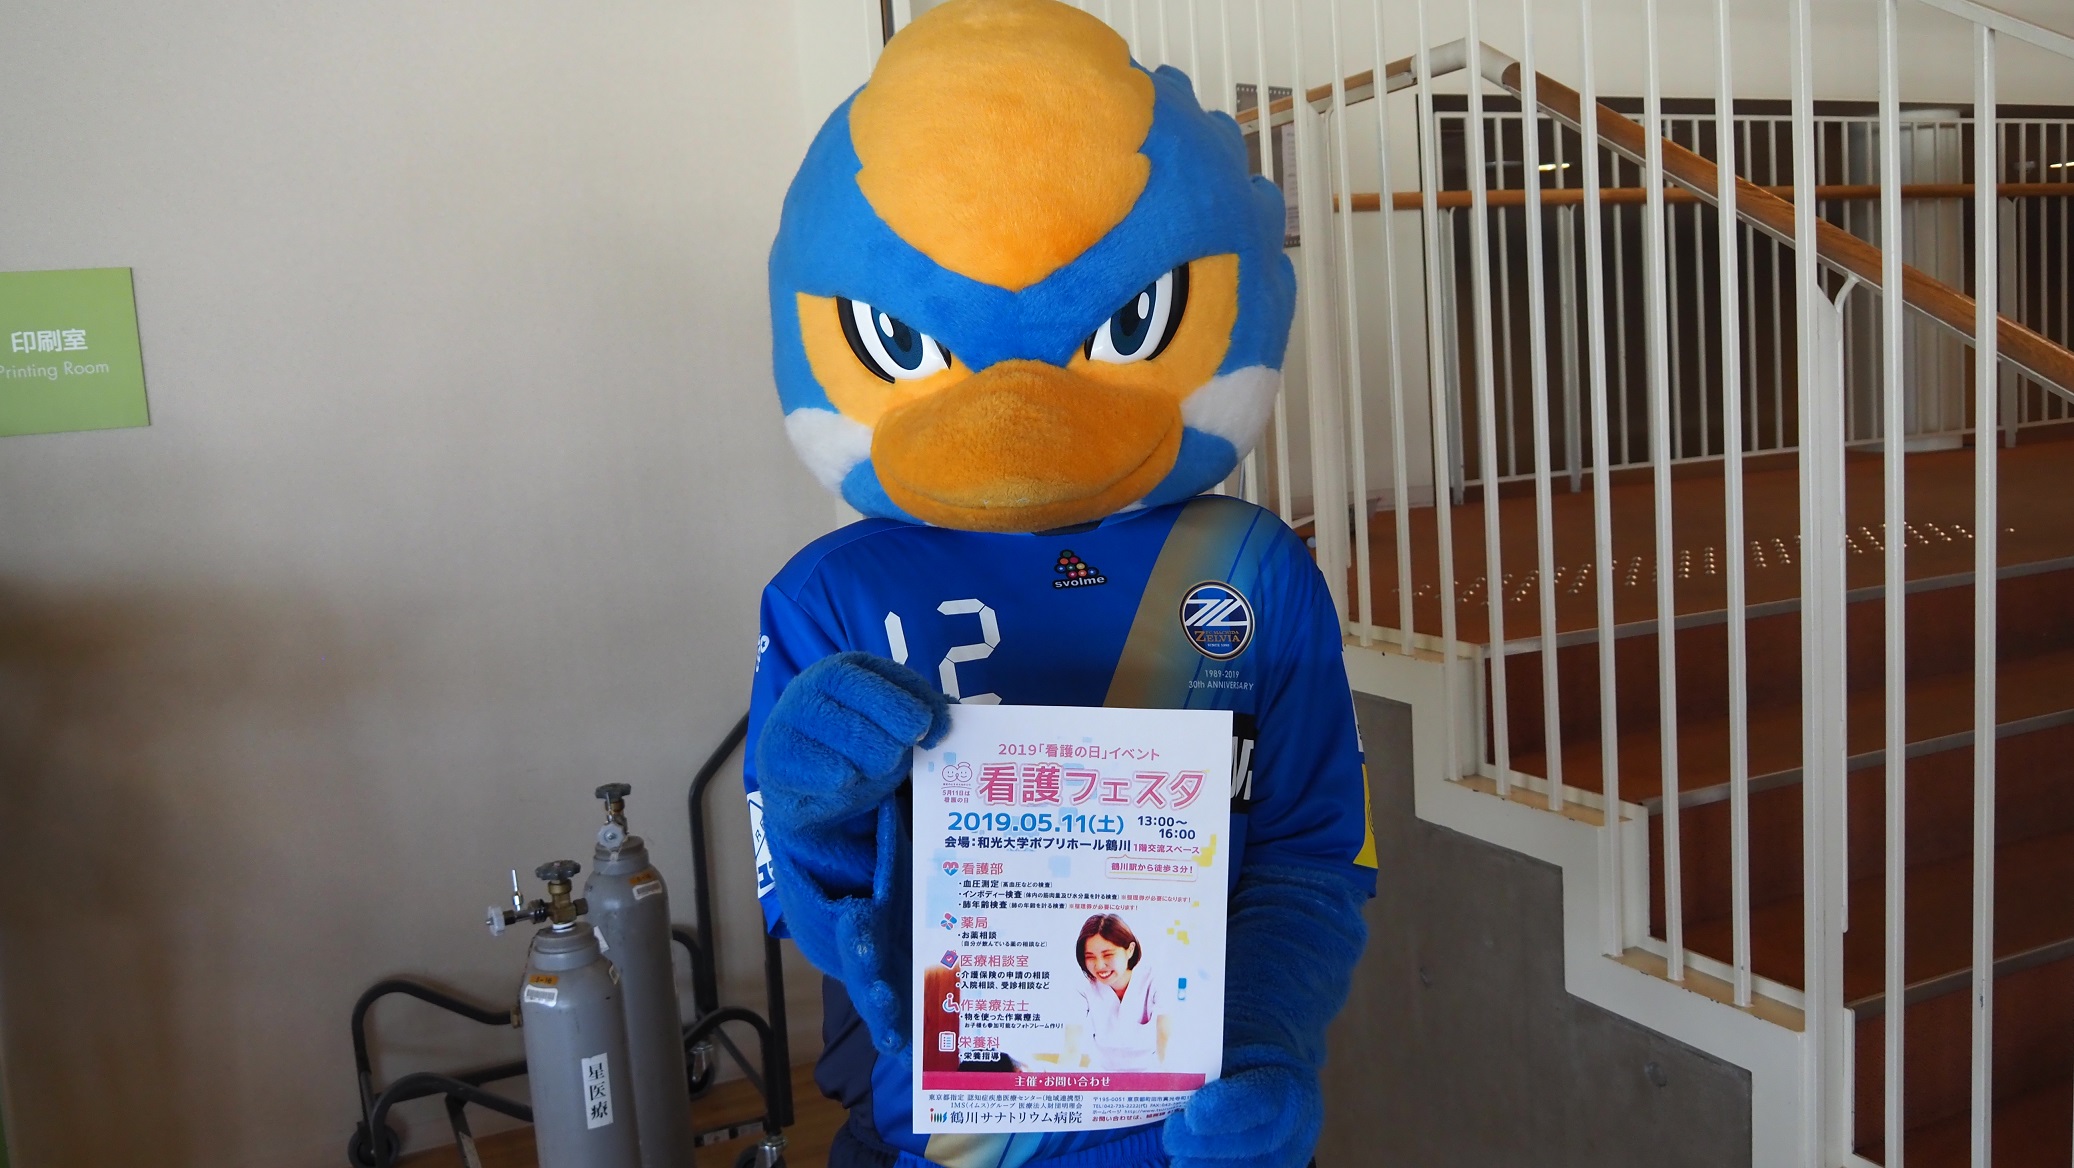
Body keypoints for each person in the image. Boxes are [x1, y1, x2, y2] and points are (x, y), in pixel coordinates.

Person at [1069, 914, 1169, 1073]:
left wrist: (1163, 1077)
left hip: (1149, 1072)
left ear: (1130, 950)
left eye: (1108, 955)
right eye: (1090, 957)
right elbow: (1071, 1046)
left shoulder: (1154, 980)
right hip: (1102, 1074)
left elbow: (1165, 1039)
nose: (1099, 965)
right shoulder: (1084, 987)